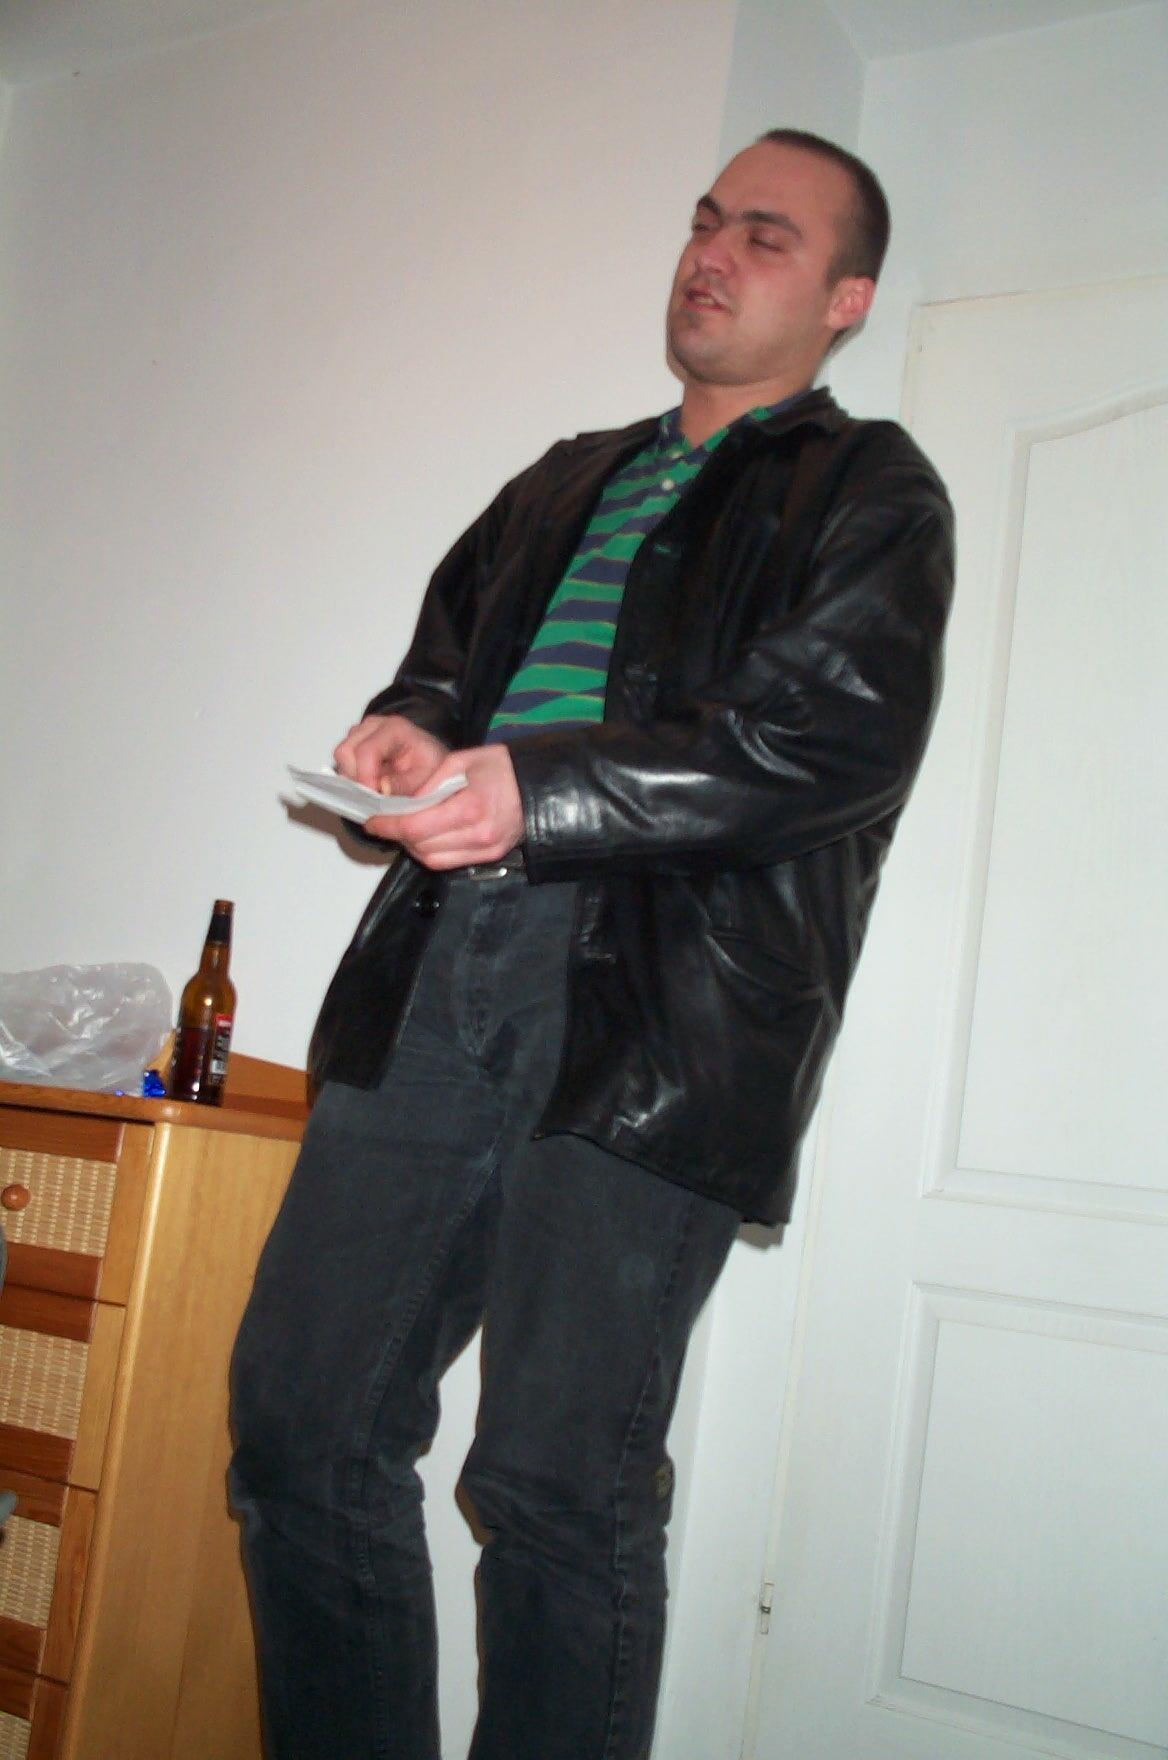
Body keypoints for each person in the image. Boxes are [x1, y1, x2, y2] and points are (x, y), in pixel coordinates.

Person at [229, 128, 954, 1760]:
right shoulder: (564, 478)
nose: (712, 252)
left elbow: (825, 742)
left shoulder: (873, 489)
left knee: (556, 1478)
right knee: (298, 1424)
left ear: (845, 300)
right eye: (704, 221)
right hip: (438, 965)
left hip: (664, 1011)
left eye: (765, 235)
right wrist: (411, 737)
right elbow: (443, 671)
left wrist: (537, 790)